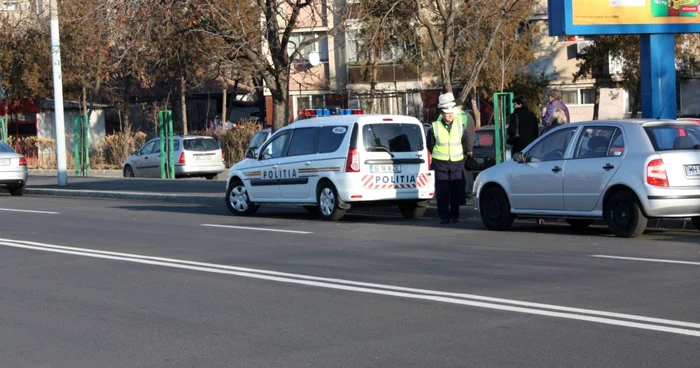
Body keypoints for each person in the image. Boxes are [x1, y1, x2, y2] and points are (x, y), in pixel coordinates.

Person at [426, 92, 474, 224]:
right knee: (442, 192)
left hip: (457, 163)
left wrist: (467, 153)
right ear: (441, 113)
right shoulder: (434, 127)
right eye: (447, 112)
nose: (450, 115)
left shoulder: (460, 126)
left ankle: (454, 215)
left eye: (451, 112)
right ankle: (444, 216)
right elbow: (430, 145)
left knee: (455, 191)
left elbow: (464, 142)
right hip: (440, 163)